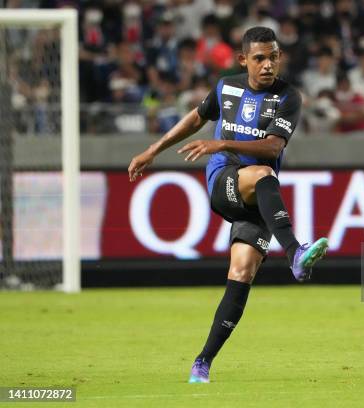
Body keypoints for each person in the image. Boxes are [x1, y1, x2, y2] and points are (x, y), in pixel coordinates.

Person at [128, 26, 329, 383]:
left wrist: (221, 143)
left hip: (259, 199)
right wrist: (152, 150)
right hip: (225, 181)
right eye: (260, 58)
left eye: (274, 57)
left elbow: (272, 146)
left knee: (242, 272)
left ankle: (201, 363)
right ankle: (296, 253)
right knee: (263, 173)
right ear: (243, 60)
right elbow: (196, 118)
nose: (268, 65)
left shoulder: (288, 97)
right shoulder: (226, 87)